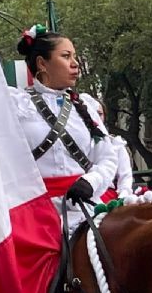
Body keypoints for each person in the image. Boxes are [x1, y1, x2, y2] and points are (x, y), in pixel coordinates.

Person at [10, 26, 116, 228]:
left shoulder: (85, 106)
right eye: (66, 56)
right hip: (31, 216)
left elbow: (107, 157)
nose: (75, 64)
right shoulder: (15, 103)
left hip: (83, 208)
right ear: (42, 63)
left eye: (74, 56)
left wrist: (91, 181)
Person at [95, 106, 133, 202]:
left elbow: (125, 177)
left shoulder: (115, 144)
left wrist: (122, 200)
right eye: (90, 112)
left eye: (99, 114)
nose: (95, 116)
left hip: (108, 197)